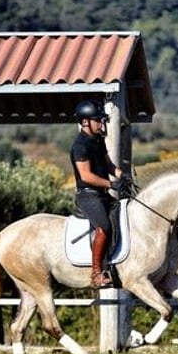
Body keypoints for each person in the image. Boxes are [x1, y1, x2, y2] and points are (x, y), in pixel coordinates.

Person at [70, 99, 123, 288]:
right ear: (85, 122)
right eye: (98, 120)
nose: (101, 123)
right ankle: (96, 274)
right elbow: (86, 176)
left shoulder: (98, 140)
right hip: (88, 195)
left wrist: (122, 175)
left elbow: (108, 164)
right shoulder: (80, 146)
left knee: (122, 214)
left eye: (102, 120)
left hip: (101, 193)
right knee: (104, 227)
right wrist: (111, 184)